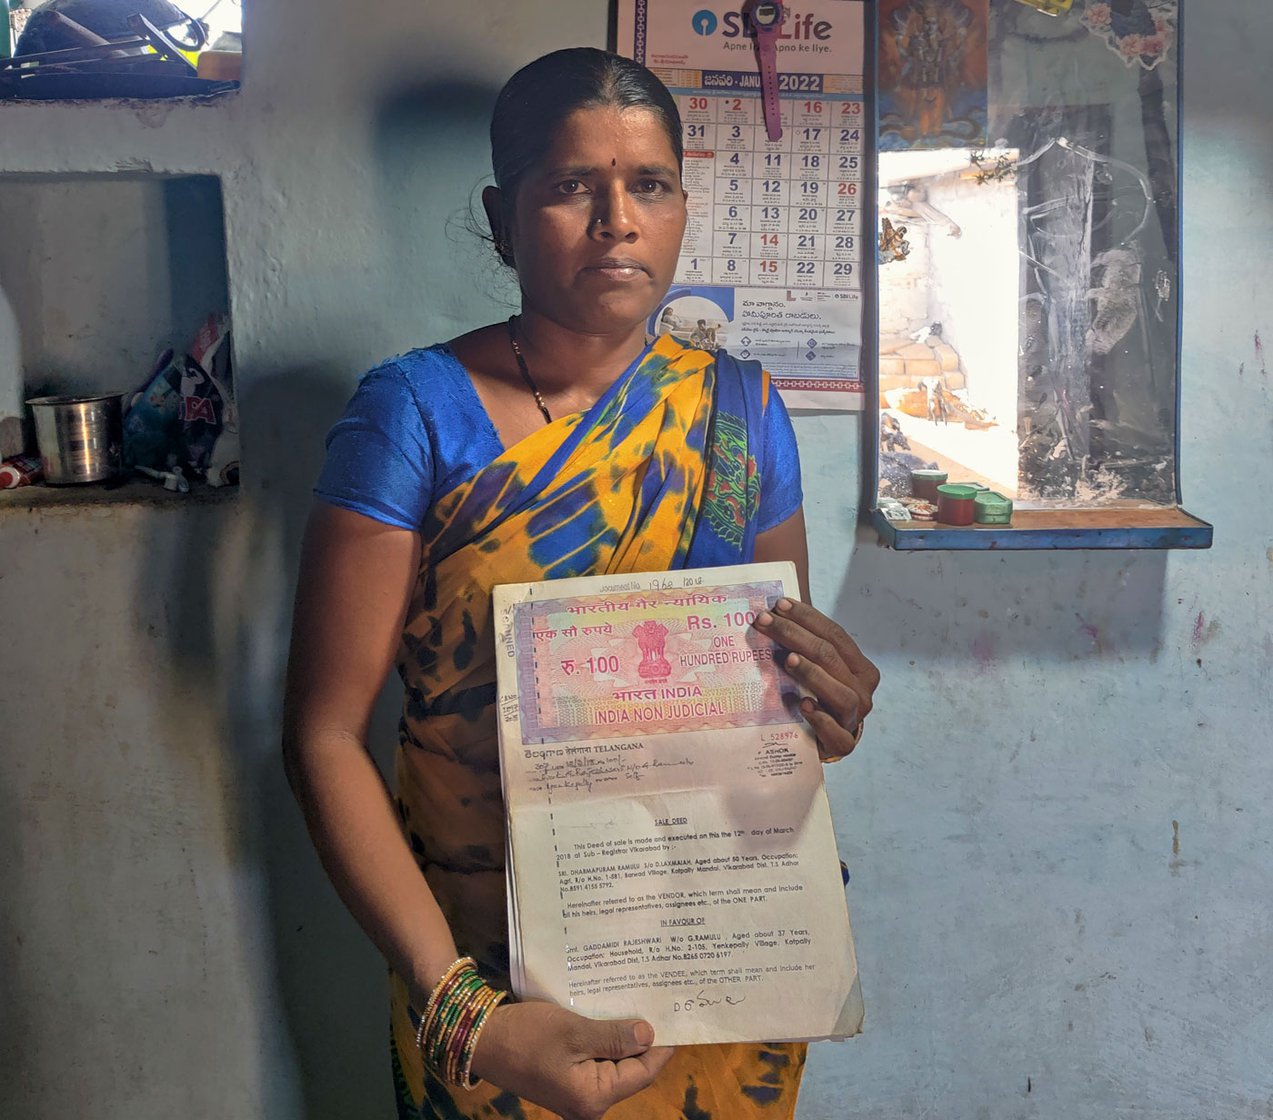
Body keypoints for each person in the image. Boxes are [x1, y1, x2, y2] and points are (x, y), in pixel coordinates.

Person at [283, 47, 879, 1120]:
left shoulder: (739, 415)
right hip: (490, 987)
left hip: (720, 968)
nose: (617, 222)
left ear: (682, 207)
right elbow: (322, 735)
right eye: (571, 186)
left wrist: (827, 708)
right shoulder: (415, 415)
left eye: (649, 184)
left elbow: (767, 709)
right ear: (502, 219)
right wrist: (463, 1013)